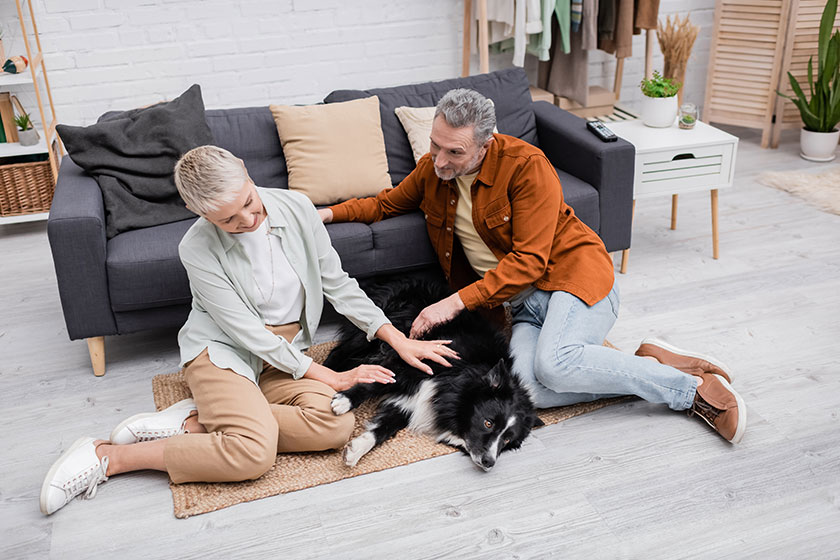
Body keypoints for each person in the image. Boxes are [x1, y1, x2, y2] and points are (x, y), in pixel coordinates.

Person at [40, 145, 458, 515]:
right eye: (228, 219)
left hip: (284, 355)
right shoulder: (196, 248)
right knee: (252, 455)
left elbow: (339, 284)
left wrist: (394, 337)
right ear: (201, 214)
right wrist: (331, 376)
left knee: (334, 425)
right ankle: (108, 456)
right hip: (224, 352)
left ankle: (198, 422)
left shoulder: (296, 208)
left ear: (245, 170)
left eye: (249, 202)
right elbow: (247, 333)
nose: (248, 219)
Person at [320, 88, 747, 446]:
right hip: (524, 308)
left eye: (454, 151)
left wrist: (451, 304)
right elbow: (384, 203)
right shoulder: (435, 172)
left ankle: (691, 391)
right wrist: (321, 215)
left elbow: (529, 261)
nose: (440, 160)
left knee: (556, 366)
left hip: (574, 281)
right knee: (522, 391)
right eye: (435, 145)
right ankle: (654, 365)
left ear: (486, 144)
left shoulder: (526, 167)